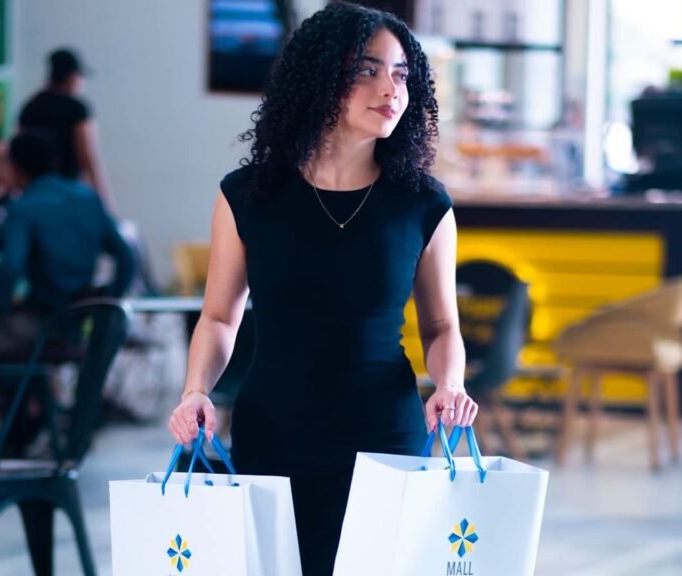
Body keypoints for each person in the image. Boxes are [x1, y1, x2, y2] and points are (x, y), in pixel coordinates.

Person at [167, 4, 476, 574]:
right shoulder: (247, 195)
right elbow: (218, 318)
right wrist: (195, 391)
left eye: (402, 74)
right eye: (369, 70)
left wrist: (449, 385)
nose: (391, 88)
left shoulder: (424, 203)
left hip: (385, 435)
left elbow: (441, 326)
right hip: (273, 431)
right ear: (320, 78)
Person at [0, 131, 135, 364]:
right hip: (80, 324)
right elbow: (127, 258)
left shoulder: (24, 208)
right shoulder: (87, 197)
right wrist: (106, 302)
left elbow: (10, 269)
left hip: (41, 322)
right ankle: (36, 400)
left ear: (15, 167)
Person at [18, 47, 114, 210]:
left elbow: (19, 152)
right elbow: (88, 158)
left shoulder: (30, 107)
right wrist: (105, 204)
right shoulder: (76, 108)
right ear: (71, 77)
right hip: (69, 192)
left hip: (35, 192)